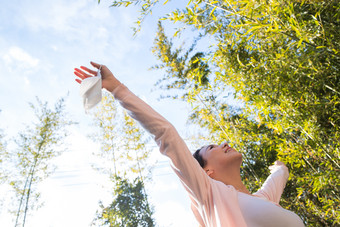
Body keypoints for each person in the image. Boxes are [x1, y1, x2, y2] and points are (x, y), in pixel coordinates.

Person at [74, 62, 305, 227]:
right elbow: (167, 134)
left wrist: (279, 168)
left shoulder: (263, 199)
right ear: (207, 172)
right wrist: (116, 87)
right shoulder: (209, 195)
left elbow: (278, 177)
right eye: (212, 147)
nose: (224, 142)